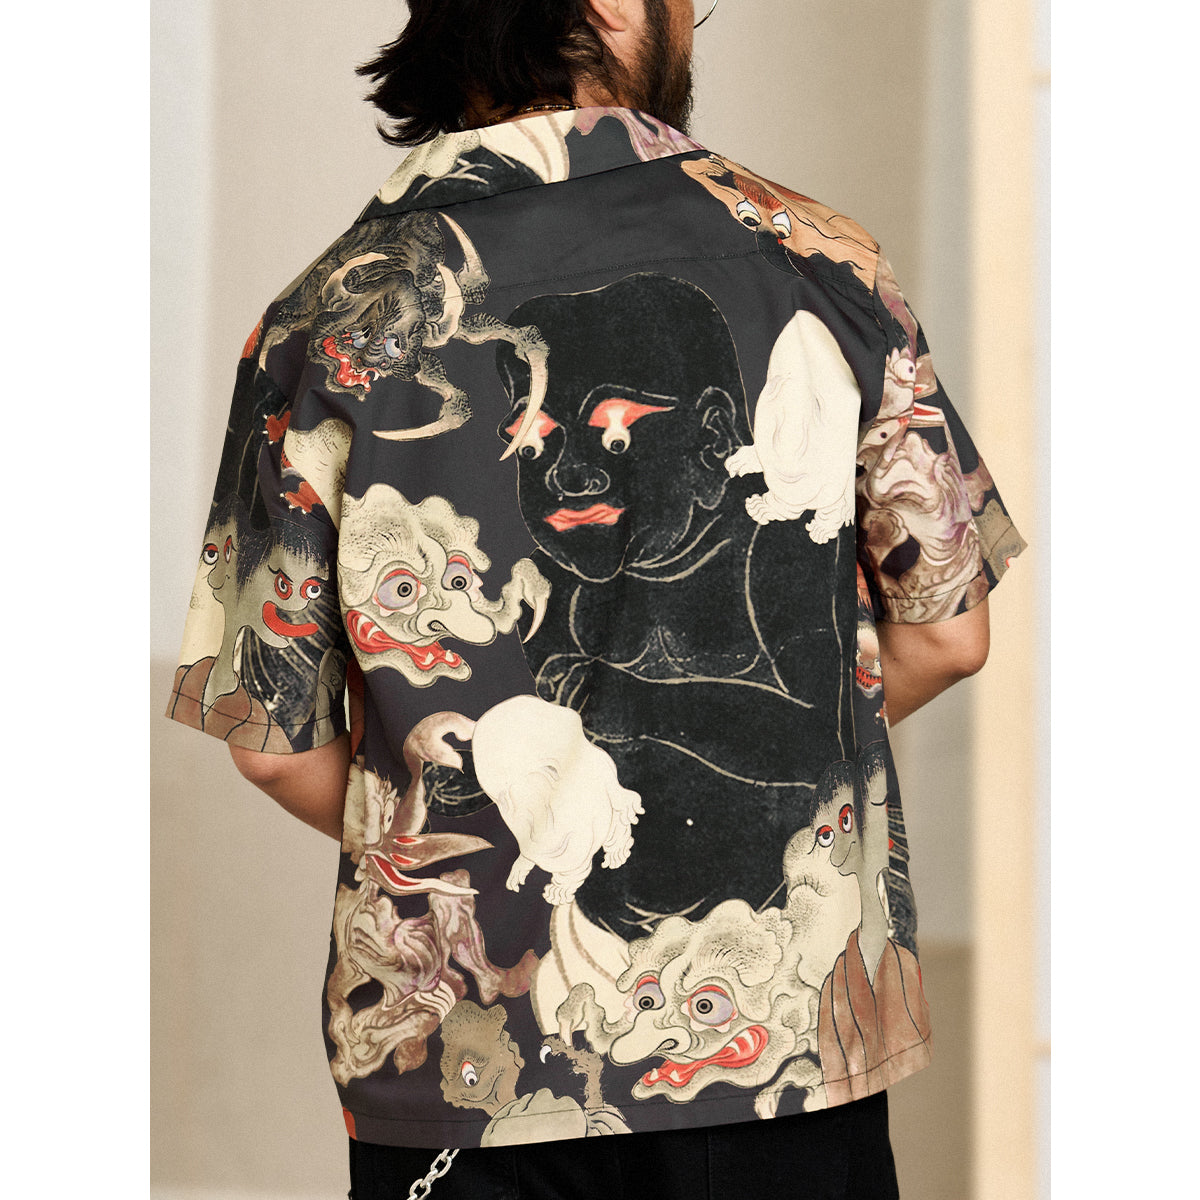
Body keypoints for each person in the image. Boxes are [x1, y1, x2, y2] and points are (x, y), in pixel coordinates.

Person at [165, 1, 1025, 1196]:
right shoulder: (819, 262)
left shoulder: (323, 322)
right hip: (778, 1059)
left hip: (466, 1078)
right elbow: (948, 634)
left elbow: (275, 749)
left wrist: (505, 815)